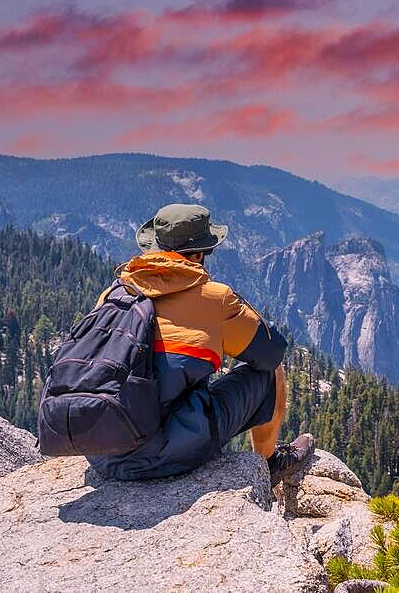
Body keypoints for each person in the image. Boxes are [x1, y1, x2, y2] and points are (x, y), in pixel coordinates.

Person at [86, 203, 314, 486]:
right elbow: (272, 352)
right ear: (199, 255)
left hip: (98, 447)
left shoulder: (115, 293)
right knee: (270, 374)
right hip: (158, 456)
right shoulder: (213, 298)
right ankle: (269, 466)